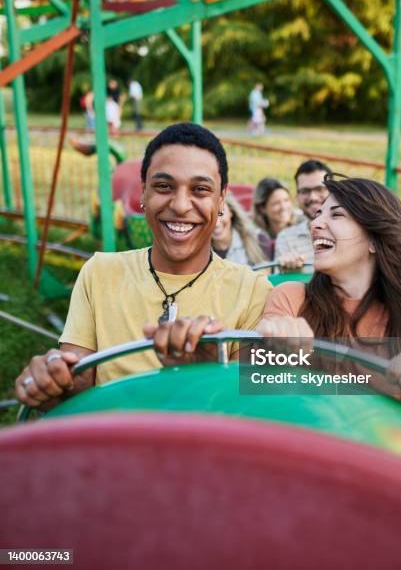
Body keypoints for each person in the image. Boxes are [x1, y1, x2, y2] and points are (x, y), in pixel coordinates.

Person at [16, 123, 272, 408]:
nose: (180, 205)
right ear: (143, 194)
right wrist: (49, 384)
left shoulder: (253, 290)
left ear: (221, 199)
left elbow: (254, 412)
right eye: (164, 186)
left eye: (200, 189)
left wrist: (210, 375)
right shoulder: (99, 272)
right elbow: (77, 387)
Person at [258, 177, 401, 447]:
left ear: (374, 240)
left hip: (389, 460)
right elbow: (257, 398)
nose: (314, 223)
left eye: (337, 215)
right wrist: (275, 352)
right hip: (309, 452)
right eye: (317, 215)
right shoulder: (291, 298)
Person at [275, 159, 332, 272]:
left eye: (319, 189)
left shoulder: (346, 232)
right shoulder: (286, 238)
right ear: (297, 196)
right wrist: (287, 271)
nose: (313, 197)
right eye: (305, 191)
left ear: (333, 192)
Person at [212, 193, 269, 266]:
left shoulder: (258, 238)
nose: (216, 223)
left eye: (220, 213)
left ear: (231, 212)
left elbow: (266, 274)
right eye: (209, 215)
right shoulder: (197, 252)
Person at [253, 178, 301, 260]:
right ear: (262, 208)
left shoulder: (302, 226)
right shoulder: (257, 236)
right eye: (276, 203)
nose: (283, 207)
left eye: (286, 200)